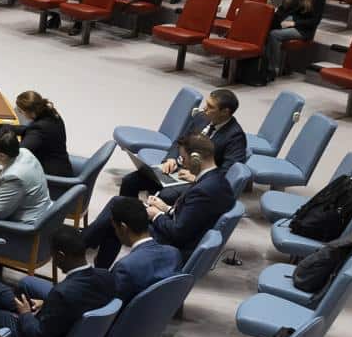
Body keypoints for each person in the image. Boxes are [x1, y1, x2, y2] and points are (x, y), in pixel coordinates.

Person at [87, 133, 235, 264]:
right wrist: (166, 208)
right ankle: (90, 252)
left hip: (173, 244)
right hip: (177, 227)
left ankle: (83, 246)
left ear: (196, 158)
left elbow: (178, 233)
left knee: (118, 219)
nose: (182, 163)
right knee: (118, 203)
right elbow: (192, 216)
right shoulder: (215, 179)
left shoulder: (204, 190)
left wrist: (156, 215)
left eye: (183, 158)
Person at [119, 88, 246, 203]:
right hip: (175, 169)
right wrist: (171, 158)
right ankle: (124, 222)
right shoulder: (201, 118)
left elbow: (227, 171)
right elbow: (180, 141)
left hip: (197, 180)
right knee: (129, 181)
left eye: (210, 106)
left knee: (165, 196)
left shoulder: (235, 136)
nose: (204, 109)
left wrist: (198, 177)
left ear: (225, 112)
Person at [100, 200, 181, 302]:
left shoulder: (125, 267)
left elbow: (111, 307)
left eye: (115, 227)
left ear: (123, 228)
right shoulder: (173, 253)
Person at [0, 124, 50, 223]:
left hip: (25, 224)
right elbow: (6, 164)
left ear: (2, 155)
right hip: (42, 210)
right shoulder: (24, 152)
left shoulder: (14, 177)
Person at [265, 0, 326, 81]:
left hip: (303, 29)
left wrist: (294, 23)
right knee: (263, 28)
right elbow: (283, 9)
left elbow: (315, 21)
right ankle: (259, 65)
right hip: (286, 22)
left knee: (274, 34)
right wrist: (270, 13)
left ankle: (272, 69)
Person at [14, 91, 72, 178]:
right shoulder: (51, 115)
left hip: (50, 178)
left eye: (20, 111)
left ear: (29, 112)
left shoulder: (39, 128)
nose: (20, 113)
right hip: (62, 166)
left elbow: (19, 152)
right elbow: (29, 130)